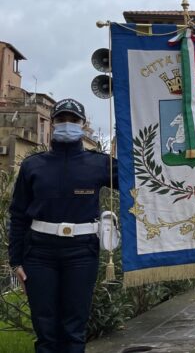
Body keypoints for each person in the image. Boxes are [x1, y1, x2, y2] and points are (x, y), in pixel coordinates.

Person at [8, 98, 117, 353]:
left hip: (81, 253)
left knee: (74, 331)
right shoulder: (32, 165)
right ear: (53, 123)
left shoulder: (99, 163)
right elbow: (18, 214)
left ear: (83, 125)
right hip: (39, 254)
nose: (67, 124)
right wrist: (16, 261)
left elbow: (138, 178)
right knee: (45, 331)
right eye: (61, 120)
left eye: (73, 120)